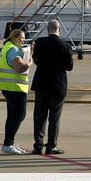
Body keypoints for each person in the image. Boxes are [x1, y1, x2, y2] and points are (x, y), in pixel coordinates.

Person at [31, 19, 74, 155]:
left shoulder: (39, 42)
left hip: (41, 84)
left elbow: (36, 60)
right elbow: (69, 67)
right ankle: (51, 145)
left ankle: (38, 145)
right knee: (54, 117)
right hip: (58, 85)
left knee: (39, 116)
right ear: (59, 30)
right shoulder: (65, 45)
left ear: (48, 29)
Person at [0, 29, 32, 154]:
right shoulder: (13, 50)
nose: (23, 40)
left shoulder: (7, 46)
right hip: (15, 88)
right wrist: (29, 62)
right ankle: (8, 144)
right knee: (19, 115)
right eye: (21, 38)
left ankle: (9, 143)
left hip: (8, 87)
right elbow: (19, 68)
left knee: (12, 116)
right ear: (14, 37)